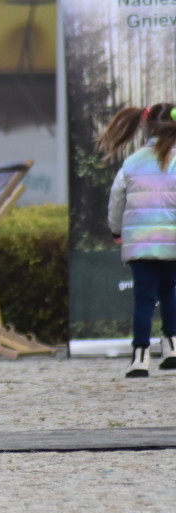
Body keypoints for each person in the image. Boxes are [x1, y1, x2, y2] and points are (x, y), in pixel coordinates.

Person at [98, 103, 176, 378]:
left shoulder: (132, 162)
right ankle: (172, 347)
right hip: (172, 242)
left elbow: (116, 200)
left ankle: (140, 358)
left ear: (147, 126)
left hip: (140, 243)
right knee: (170, 291)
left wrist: (116, 231)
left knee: (144, 299)